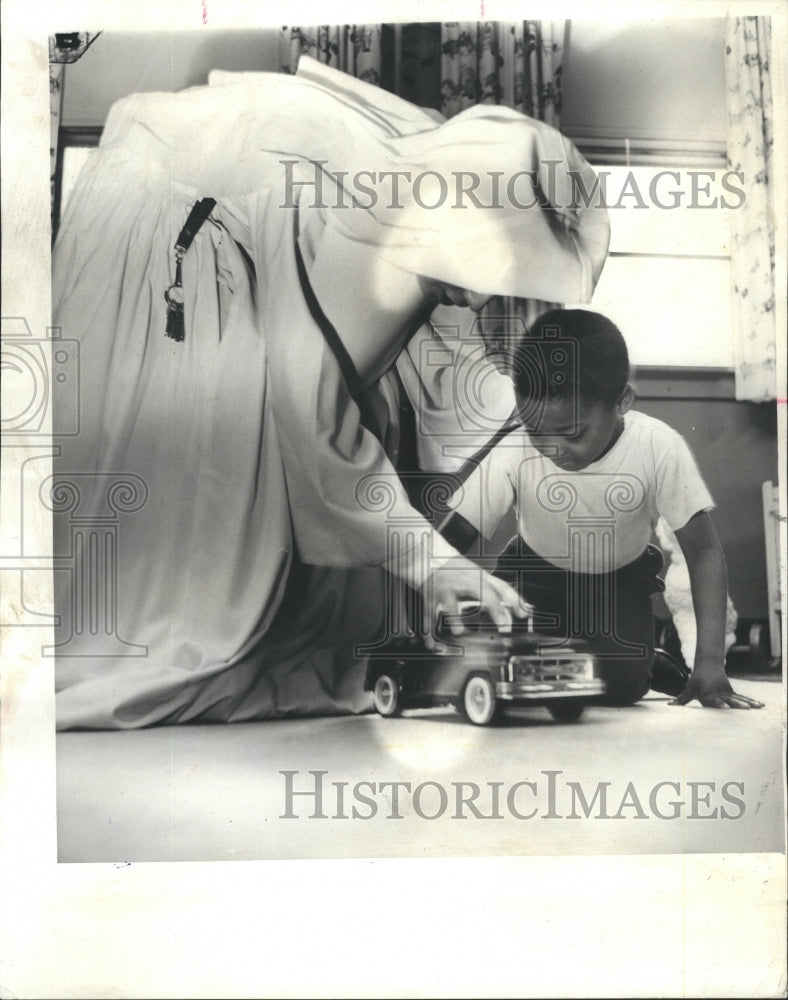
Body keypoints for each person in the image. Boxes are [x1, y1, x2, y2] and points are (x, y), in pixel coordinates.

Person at [50, 58, 610, 730]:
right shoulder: (354, 209)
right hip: (169, 226)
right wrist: (429, 563)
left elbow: (452, 377)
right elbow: (311, 410)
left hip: (216, 211)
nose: (491, 286)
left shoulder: (444, 181)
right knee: (232, 435)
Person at [443, 308, 764, 709]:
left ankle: (647, 663)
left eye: (572, 433)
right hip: (534, 576)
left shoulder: (659, 446)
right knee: (492, 659)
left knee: (619, 688)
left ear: (622, 401)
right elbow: (453, 534)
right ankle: (598, 651)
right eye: (535, 431)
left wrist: (711, 664)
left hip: (618, 582)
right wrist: (429, 589)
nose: (552, 448)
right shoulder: (515, 447)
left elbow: (702, 553)